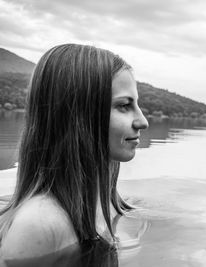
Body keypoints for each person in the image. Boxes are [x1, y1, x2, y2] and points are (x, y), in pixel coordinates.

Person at [0, 44, 148, 264]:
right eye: (124, 105)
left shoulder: (105, 200)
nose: (143, 121)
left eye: (136, 104)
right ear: (78, 116)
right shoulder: (38, 225)